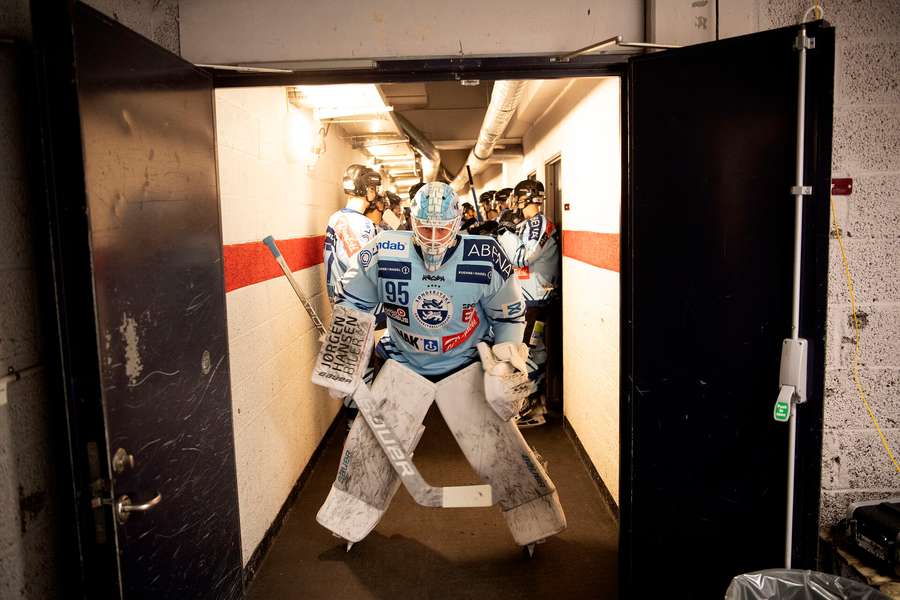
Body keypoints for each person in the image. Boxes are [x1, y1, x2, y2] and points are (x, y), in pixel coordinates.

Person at [315, 181, 566, 550]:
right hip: (404, 362)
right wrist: (345, 350)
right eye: (425, 228)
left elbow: (509, 314)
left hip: (465, 361)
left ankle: (536, 517)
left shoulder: (486, 255)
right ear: (411, 221)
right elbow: (354, 305)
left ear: (456, 224)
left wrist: (507, 357)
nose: (433, 238)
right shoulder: (382, 251)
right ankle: (348, 518)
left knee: (501, 448)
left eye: (442, 228)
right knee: (371, 444)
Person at [497, 179, 560, 428]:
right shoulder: (529, 224)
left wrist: (506, 232)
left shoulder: (538, 223)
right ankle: (536, 404)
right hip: (530, 298)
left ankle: (531, 407)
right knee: (532, 351)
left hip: (536, 299)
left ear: (525, 198)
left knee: (529, 353)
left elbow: (522, 257)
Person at [323, 164, 381, 302]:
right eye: (373, 189)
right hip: (356, 301)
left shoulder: (337, 217)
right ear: (366, 189)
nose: (375, 193)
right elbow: (362, 266)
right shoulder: (358, 223)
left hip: (342, 297)